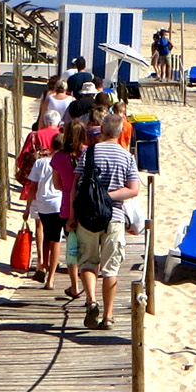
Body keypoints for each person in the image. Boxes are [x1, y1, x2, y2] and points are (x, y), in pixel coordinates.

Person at [73, 114, 141, 330]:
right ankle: (108, 315)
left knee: (88, 261)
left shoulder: (89, 152)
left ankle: (91, 301)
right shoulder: (126, 157)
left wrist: (72, 216)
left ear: (101, 130)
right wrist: (109, 196)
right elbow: (133, 189)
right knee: (111, 267)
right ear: (121, 132)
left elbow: (76, 186)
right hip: (114, 216)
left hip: (87, 215)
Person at [30, 130, 72, 289]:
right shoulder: (65, 161)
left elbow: (33, 186)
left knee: (47, 237)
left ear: (51, 145)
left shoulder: (40, 162)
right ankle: (51, 278)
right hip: (58, 203)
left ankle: (43, 265)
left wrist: (28, 207)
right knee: (56, 241)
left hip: (43, 205)